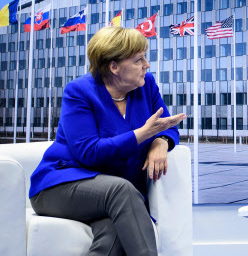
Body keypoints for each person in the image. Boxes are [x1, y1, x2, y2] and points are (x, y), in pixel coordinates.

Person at [29, 27, 187, 256]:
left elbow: (167, 125)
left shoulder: (146, 85)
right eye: (138, 60)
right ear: (114, 67)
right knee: (122, 191)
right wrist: (143, 134)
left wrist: (160, 142)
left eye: (145, 57)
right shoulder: (79, 92)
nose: (147, 65)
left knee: (114, 235)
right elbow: (89, 152)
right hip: (59, 187)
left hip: (112, 197)